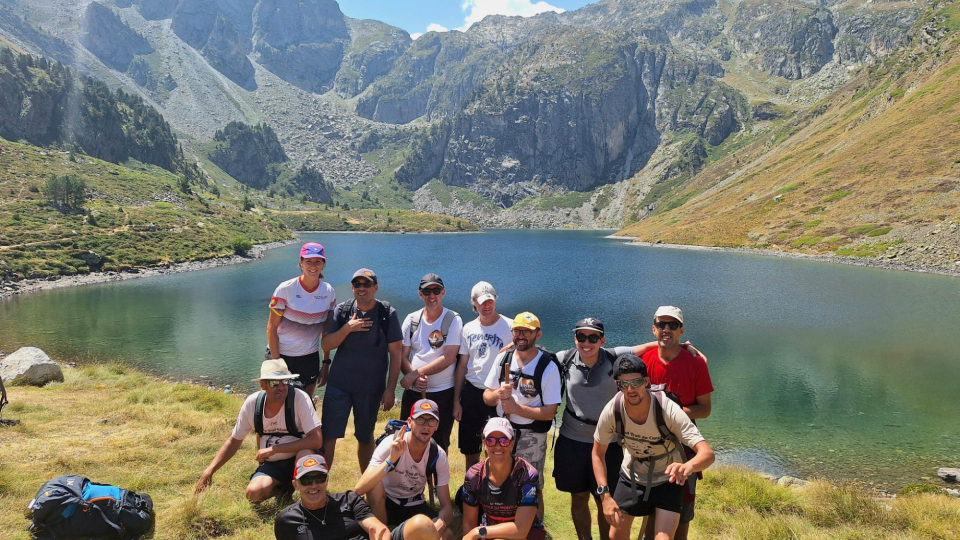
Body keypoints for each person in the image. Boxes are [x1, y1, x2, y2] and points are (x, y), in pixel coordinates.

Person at [556, 318, 706, 540]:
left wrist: (681, 346)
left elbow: (645, 347)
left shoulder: (613, 357)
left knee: (606, 501)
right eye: (581, 336)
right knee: (580, 497)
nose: (587, 342)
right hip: (573, 439)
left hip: (612, 444)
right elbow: (536, 356)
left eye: (593, 337)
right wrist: (511, 346)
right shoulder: (565, 358)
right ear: (575, 338)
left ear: (602, 340)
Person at [592, 354, 715, 540]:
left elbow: (707, 454)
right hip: (632, 476)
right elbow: (597, 454)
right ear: (617, 385)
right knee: (615, 535)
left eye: (636, 382)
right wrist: (605, 496)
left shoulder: (667, 410)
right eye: (624, 384)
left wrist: (687, 467)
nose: (631, 389)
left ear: (647, 382)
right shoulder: (613, 410)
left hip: (668, 479)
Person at [195, 359, 322, 502]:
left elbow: (316, 440)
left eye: (285, 381)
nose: (281, 387)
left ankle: (307, 497)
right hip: (272, 464)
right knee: (253, 494)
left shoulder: (299, 398)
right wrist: (209, 471)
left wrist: (274, 449)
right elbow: (234, 441)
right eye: (274, 383)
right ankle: (286, 487)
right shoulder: (252, 403)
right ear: (263, 385)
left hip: (300, 457)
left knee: (305, 454)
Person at [639, 306, 713, 540]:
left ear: (682, 330)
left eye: (673, 325)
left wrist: (672, 412)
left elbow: (705, 409)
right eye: (661, 324)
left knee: (681, 513)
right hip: (649, 448)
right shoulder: (643, 361)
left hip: (684, 450)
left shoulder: (696, 363)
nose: (666, 329)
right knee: (650, 510)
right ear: (653, 329)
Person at [321, 268, 403, 472]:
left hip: (370, 389)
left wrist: (390, 389)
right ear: (352, 288)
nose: (362, 288)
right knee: (328, 436)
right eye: (357, 284)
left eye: (367, 284)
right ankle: (320, 484)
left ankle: (367, 486)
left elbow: (396, 354)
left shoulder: (387, 313)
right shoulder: (343, 310)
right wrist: (348, 328)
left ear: (376, 287)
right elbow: (326, 344)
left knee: (365, 437)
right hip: (339, 385)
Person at [483, 312, 561, 520]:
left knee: (532, 486)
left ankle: (535, 528)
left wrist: (516, 409)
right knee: (498, 479)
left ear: (538, 335)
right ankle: (500, 522)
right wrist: (498, 394)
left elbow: (549, 413)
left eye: (527, 332)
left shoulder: (547, 367)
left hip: (531, 435)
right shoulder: (504, 358)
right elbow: (487, 397)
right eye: (517, 331)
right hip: (501, 433)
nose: (521, 336)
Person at [275, 454, 441, 540]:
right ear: (295, 485)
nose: (313, 485)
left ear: (327, 480)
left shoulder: (348, 499)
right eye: (306, 480)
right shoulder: (286, 521)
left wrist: (381, 536)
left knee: (423, 524)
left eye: (319, 478)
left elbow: (378, 528)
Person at [354, 399, 454, 540]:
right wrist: (391, 459)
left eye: (431, 421)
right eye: (420, 420)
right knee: (375, 485)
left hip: (414, 503)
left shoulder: (437, 454)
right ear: (410, 422)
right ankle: (382, 534)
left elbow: (447, 507)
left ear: (437, 425)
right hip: (385, 501)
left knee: (447, 535)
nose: (426, 426)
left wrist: (440, 524)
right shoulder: (390, 443)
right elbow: (359, 489)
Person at [399, 273, 462, 451]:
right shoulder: (411, 319)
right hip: (413, 393)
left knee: (439, 445)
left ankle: (437, 471)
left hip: (443, 393)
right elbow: (402, 356)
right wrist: (414, 379)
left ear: (443, 293)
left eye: (436, 291)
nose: (432, 295)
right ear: (420, 294)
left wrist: (415, 374)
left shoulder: (453, 320)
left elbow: (449, 358)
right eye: (427, 291)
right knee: (406, 440)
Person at [453, 281, 512, 471]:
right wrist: (456, 401)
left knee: (496, 449)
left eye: (490, 301)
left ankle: (493, 485)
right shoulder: (468, 329)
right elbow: (462, 365)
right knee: (470, 450)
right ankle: (472, 484)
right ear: (473, 303)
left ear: (495, 300)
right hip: (472, 392)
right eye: (482, 302)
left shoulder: (510, 326)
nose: (487, 306)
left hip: (497, 393)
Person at [267, 242, 336, 398]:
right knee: (276, 401)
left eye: (317, 261)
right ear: (301, 263)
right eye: (308, 261)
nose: (313, 266)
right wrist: (277, 363)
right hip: (281, 354)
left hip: (309, 357)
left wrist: (325, 363)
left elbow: (326, 332)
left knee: (305, 402)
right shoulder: (285, 289)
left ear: (323, 264)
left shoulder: (329, 292)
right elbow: (271, 328)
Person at [461, 417, 546, 540]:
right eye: (490, 440)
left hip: (527, 532)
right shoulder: (474, 475)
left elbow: (520, 530)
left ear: (512, 444)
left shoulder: (527, 475)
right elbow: (469, 523)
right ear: (484, 443)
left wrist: (478, 531)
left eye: (504, 441)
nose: (497, 446)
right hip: (491, 530)